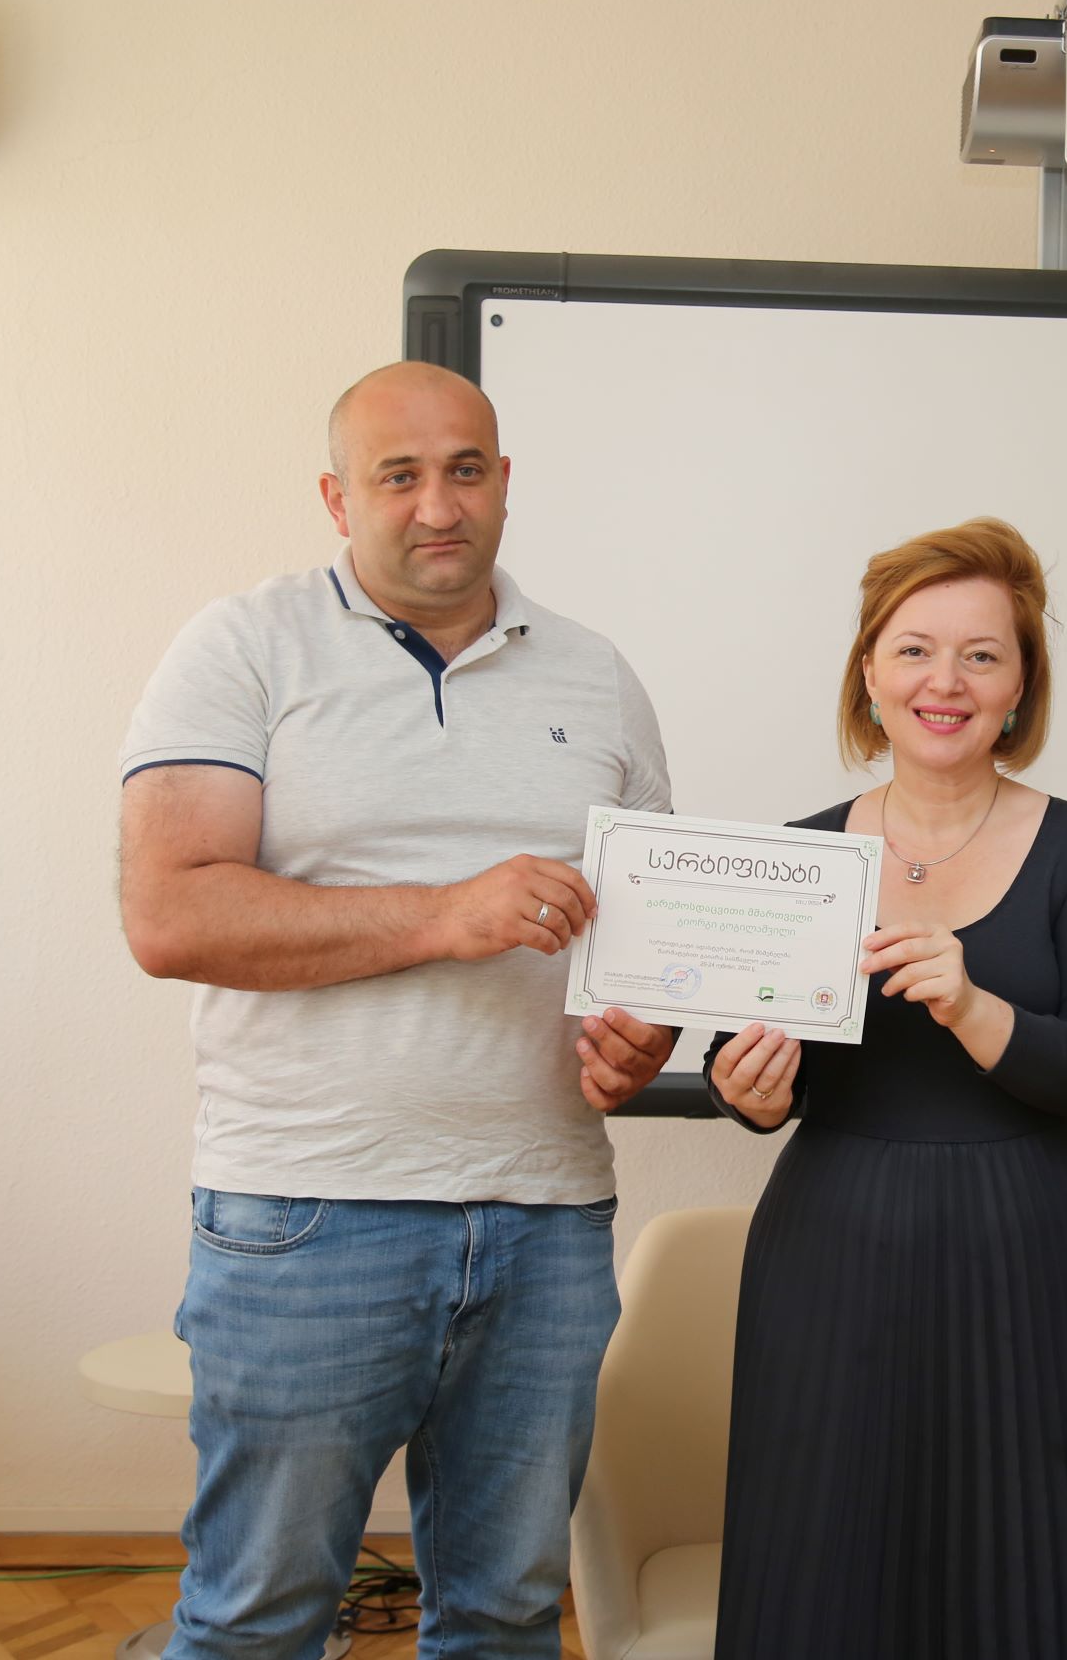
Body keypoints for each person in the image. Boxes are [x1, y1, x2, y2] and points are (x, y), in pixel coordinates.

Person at [116, 361, 678, 1660]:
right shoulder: (242, 647)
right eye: (399, 476)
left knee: (506, 1618)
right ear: (337, 498)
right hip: (310, 1212)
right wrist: (442, 915)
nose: (439, 505)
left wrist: (642, 1036)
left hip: (547, 1220)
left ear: (504, 482)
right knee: (255, 1621)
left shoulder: (596, 676)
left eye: (466, 470)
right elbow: (170, 913)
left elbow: (646, 940)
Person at [704, 518, 1067, 1659]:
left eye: (981, 655)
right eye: (914, 650)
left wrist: (971, 1005)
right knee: (825, 1569)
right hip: (832, 1254)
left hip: (1035, 1257)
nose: (943, 682)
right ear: (870, 672)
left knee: (1036, 1579)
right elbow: (738, 1063)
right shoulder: (801, 853)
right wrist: (749, 1091)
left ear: (1020, 687)